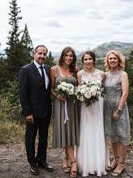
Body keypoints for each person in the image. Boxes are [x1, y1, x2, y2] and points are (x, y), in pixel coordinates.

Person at [19, 45, 55, 175]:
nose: (42, 56)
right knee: (30, 138)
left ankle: (42, 160)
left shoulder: (48, 69)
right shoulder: (26, 70)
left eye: (44, 54)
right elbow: (23, 93)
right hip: (32, 113)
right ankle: (32, 163)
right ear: (34, 54)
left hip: (46, 111)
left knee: (44, 138)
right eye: (40, 53)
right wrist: (27, 112)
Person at [50, 47, 81, 177]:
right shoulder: (54, 69)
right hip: (60, 104)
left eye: (71, 56)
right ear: (62, 56)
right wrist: (58, 96)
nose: (69, 58)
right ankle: (74, 161)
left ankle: (66, 158)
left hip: (73, 104)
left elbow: (79, 87)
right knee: (65, 130)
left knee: (71, 131)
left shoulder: (76, 70)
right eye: (66, 55)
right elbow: (51, 88)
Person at [76, 51, 108, 177]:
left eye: (90, 59)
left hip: (98, 106)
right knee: (86, 131)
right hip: (85, 106)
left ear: (94, 60)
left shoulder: (102, 74)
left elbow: (103, 90)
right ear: (83, 61)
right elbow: (79, 90)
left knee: (97, 131)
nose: (88, 61)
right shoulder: (80, 74)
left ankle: (98, 164)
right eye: (85, 59)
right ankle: (86, 164)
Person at [103, 50, 132, 176]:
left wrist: (118, 110)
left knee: (120, 136)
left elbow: (125, 93)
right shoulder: (105, 74)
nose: (112, 60)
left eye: (115, 58)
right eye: (110, 59)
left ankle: (121, 163)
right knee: (112, 136)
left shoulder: (123, 74)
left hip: (118, 107)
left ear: (119, 60)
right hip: (106, 108)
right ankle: (115, 160)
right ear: (107, 61)